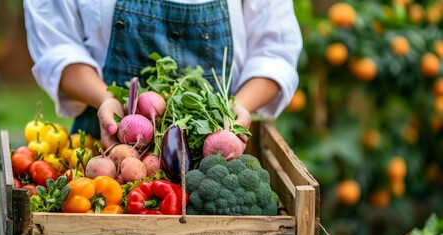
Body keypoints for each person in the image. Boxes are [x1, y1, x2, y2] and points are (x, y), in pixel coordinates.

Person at [23, 0, 302, 148]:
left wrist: (235, 110)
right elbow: (57, 46)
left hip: (214, 143)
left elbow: (274, 52)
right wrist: (108, 100)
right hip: (104, 143)